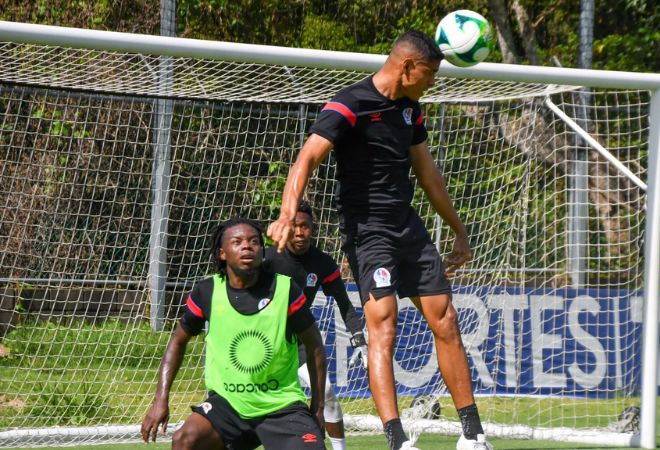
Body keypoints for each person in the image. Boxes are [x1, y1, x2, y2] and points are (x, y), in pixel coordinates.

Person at [267, 30, 491, 450]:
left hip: (408, 227)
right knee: (383, 324)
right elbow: (307, 157)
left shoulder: (411, 110)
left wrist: (459, 230)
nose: (433, 81)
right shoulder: (349, 104)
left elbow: (428, 175)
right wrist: (285, 213)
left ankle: (473, 435)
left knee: (446, 320)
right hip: (368, 233)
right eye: (429, 72)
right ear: (407, 66)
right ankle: (397, 440)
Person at [141, 218, 327, 450]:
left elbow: (315, 346)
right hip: (229, 406)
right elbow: (178, 341)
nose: (247, 246)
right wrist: (160, 399)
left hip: (281, 405)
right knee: (185, 440)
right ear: (222, 253)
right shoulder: (207, 292)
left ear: (262, 251)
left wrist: (318, 408)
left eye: (254, 242)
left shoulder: (285, 290)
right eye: (237, 242)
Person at [264, 199, 368, 450]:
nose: (300, 233)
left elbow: (344, 304)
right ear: (285, 227)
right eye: (294, 226)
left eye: (306, 226)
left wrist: (359, 339)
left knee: (328, 393)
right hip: (264, 341)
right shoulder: (267, 257)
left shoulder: (322, 263)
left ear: (313, 228)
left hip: (297, 343)